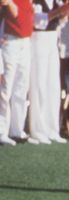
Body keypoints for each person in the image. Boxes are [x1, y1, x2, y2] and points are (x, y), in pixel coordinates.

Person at [30, 0, 69, 144]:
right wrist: (59, 11)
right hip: (38, 39)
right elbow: (36, 21)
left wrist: (67, 11)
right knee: (39, 85)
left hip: (53, 39)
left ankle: (52, 128)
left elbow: (59, 20)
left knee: (53, 86)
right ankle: (37, 130)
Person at [0, 0, 33, 146]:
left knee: (21, 87)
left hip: (25, 40)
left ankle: (17, 130)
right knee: (5, 89)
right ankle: (1, 131)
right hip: (10, 39)